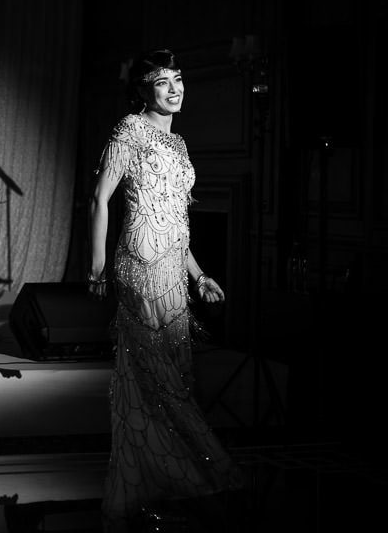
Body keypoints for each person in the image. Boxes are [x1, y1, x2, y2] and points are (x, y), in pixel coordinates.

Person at [88, 49, 241, 531]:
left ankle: (160, 481)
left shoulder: (179, 145)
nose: (174, 89)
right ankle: (202, 468)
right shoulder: (129, 130)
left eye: (178, 80)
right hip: (139, 262)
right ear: (143, 91)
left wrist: (199, 275)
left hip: (175, 270)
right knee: (154, 378)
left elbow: (178, 219)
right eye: (162, 82)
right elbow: (99, 198)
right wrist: (96, 269)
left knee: (172, 376)